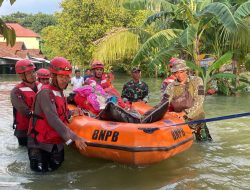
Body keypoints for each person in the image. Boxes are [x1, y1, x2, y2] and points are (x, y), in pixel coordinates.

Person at [27, 57, 87, 172]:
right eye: (61, 76)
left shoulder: (60, 93)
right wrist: (75, 137)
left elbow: (62, 114)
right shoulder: (45, 93)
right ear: (53, 76)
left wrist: (72, 112)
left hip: (55, 142)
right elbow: (53, 119)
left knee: (56, 170)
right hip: (40, 143)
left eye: (67, 76)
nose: (65, 80)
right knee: (41, 176)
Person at [164, 58, 212, 141]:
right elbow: (164, 102)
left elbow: (199, 101)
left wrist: (184, 113)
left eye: (181, 72)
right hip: (179, 122)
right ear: (173, 73)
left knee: (205, 145)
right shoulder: (170, 87)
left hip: (197, 120)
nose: (179, 75)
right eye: (176, 73)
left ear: (186, 70)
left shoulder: (198, 80)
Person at [10, 59, 38, 146]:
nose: (33, 75)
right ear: (21, 75)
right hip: (24, 131)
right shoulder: (16, 92)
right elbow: (25, 112)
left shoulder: (41, 86)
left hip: (39, 128)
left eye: (33, 71)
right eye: (29, 73)